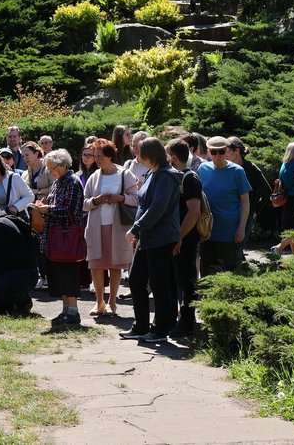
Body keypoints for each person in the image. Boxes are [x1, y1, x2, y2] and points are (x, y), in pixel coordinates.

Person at [120, 138, 182, 342]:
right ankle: (141, 326)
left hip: (161, 238)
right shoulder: (153, 173)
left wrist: (136, 229)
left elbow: (158, 208)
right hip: (147, 237)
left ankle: (161, 329)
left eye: (140, 152)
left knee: (159, 284)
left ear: (150, 155)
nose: (137, 156)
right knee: (137, 279)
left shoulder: (166, 176)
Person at [82, 138, 139, 316]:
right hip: (97, 226)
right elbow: (84, 203)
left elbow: (136, 199)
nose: (96, 159)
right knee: (96, 265)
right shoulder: (94, 176)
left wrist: (120, 198)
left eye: (99, 156)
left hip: (118, 227)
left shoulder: (125, 174)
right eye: (94, 156)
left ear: (109, 156)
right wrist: (95, 201)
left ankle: (112, 301)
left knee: (115, 265)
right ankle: (99, 302)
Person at [33, 150, 86, 327]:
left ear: (63, 165)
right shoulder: (58, 182)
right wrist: (45, 206)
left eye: (52, 168)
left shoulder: (72, 182)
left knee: (68, 273)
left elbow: (71, 211)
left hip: (66, 236)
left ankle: (73, 312)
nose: (50, 172)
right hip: (55, 235)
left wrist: (47, 209)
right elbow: (57, 205)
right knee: (59, 274)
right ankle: (66, 311)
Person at [197, 136, 251, 276]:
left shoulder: (237, 171)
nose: (217, 156)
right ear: (208, 152)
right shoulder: (203, 169)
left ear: (227, 151)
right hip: (207, 231)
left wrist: (242, 227)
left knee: (230, 272)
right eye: (214, 152)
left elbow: (245, 200)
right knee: (207, 273)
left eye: (221, 151)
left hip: (229, 232)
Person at [166, 138, 202, 337]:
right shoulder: (175, 176)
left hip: (186, 239)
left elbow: (194, 212)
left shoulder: (190, 178)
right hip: (175, 238)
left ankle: (188, 322)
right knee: (175, 279)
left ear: (174, 157)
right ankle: (175, 320)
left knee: (187, 281)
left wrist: (179, 237)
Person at [226, 136, 271, 255]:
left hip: (246, 214)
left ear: (237, 151)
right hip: (229, 213)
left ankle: (240, 270)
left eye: (227, 150)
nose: (224, 153)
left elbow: (267, 192)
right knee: (230, 248)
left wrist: (255, 211)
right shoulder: (226, 168)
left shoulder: (252, 169)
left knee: (237, 247)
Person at [21, 141, 53, 290]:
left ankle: (49, 276)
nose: (25, 158)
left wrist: (37, 192)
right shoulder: (25, 173)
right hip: (31, 213)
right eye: (23, 156)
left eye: (27, 154)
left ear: (37, 153)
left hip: (46, 211)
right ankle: (42, 275)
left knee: (46, 245)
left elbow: (54, 187)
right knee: (35, 245)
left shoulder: (48, 169)